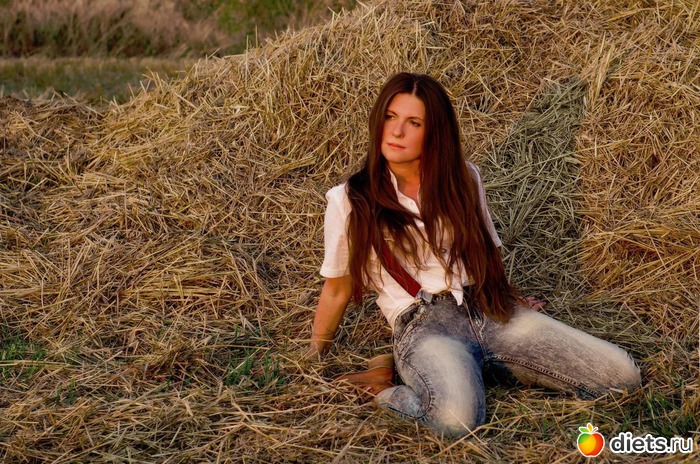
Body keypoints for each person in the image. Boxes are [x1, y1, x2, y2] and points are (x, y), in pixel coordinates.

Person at [308, 72, 641, 438]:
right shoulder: (348, 200)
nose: (397, 131)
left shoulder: (464, 178)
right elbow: (337, 289)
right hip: (424, 325)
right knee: (458, 421)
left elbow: (486, 250)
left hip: (486, 309)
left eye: (413, 122)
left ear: (435, 132)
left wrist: (508, 297)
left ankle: (487, 365)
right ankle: (381, 387)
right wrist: (314, 356)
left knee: (622, 376)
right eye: (390, 117)